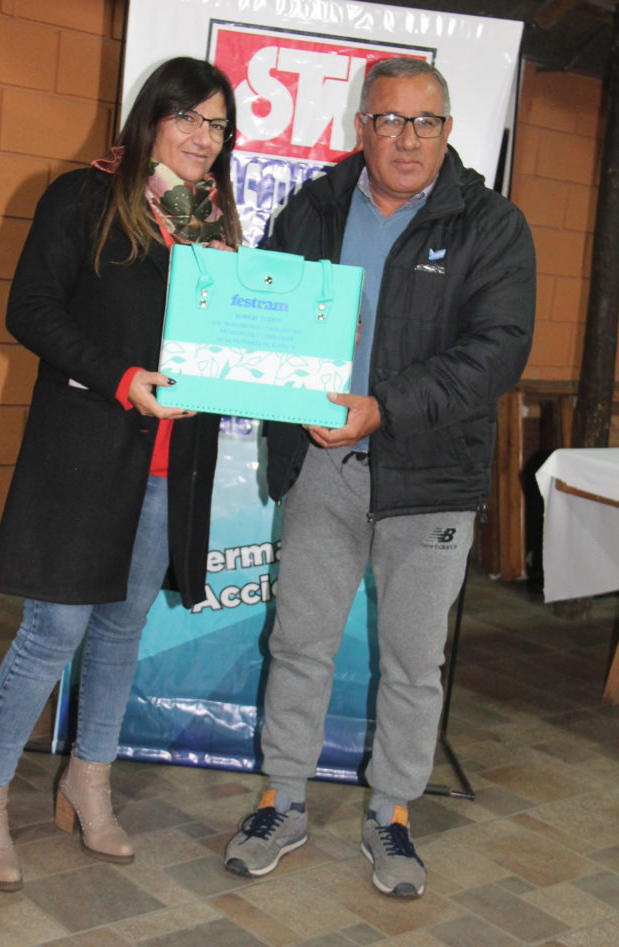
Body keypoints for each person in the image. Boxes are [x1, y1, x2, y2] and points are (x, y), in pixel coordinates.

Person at [225, 57, 535, 898]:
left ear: (447, 131)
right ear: (361, 127)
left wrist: (383, 408)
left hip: (429, 479)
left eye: (424, 122)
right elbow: (269, 313)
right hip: (323, 467)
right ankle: (282, 799)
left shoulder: (492, 226)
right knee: (299, 643)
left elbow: (497, 352)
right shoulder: (314, 207)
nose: (407, 138)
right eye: (390, 120)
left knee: (412, 661)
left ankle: (392, 812)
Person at [0, 57, 242, 892]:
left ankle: (88, 782)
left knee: (122, 629)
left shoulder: (216, 229)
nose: (203, 137)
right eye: (188, 117)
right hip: (85, 451)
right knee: (54, 630)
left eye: (218, 125)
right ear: (151, 118)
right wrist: (119, 376)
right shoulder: (84, 197)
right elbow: (29, 309)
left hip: (169, 463)